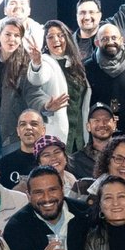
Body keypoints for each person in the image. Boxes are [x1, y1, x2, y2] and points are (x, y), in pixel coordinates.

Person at [0, 21, 64, 155]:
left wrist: (46, 105)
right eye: (8, 34)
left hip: (13, 133)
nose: (12, 39)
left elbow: (33, 93)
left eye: (16, 35)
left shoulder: (25, 63)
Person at [84, 22, 125, 136]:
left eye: (114, 38)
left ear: (122, 40)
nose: (110, 42)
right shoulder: (88, 67)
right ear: (97, 43)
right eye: (105, 39)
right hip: (101, 132)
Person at [44, 21, 90, 154]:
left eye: (60, 35)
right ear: (45, 42)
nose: (56, 40)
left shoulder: (77, 65)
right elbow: (35, 88)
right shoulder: (43, 65)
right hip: (55, 133)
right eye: (50, 37)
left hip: (79, 135)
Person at [0, 109, 47, 188]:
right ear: (18, 131)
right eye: (23, 124)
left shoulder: (51, 160)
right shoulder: (5, 163)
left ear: (43, 130)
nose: (28, 128)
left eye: (34, 124)